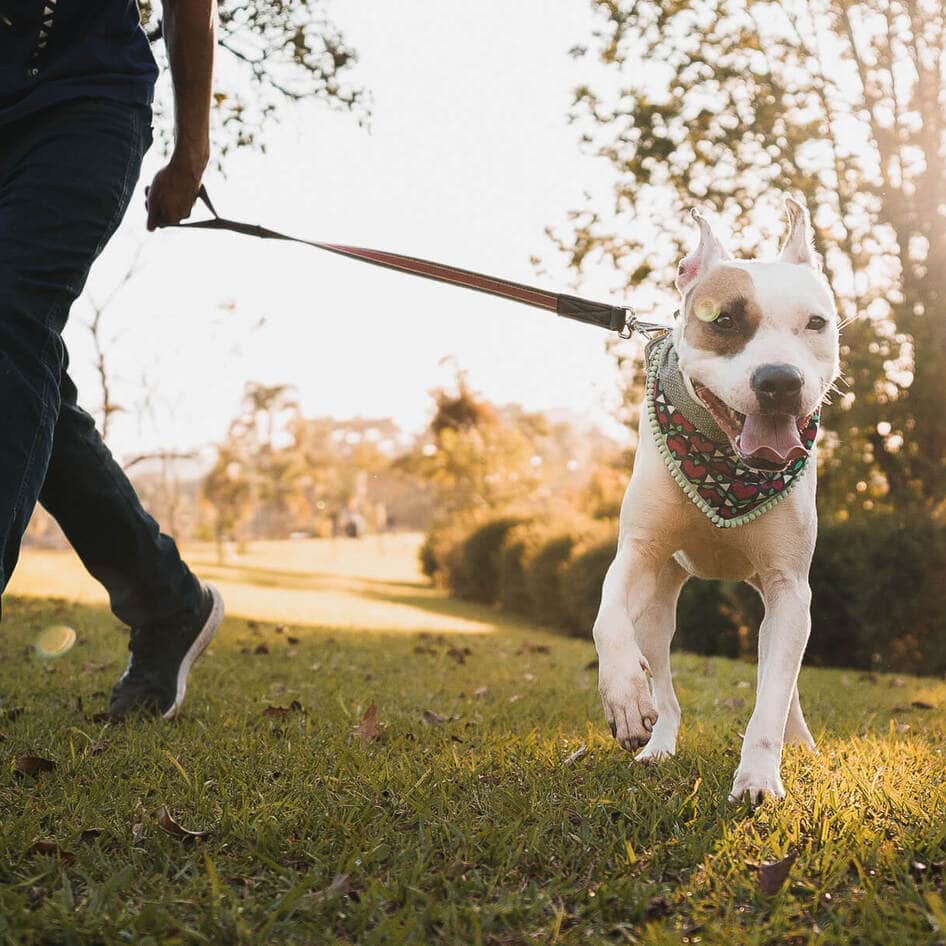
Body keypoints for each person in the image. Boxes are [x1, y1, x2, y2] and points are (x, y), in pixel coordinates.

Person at [0, 0, 222, 718]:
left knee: (7, 321)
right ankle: (166, 601)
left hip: (84, 105)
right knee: (28, 374)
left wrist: (191, 152)